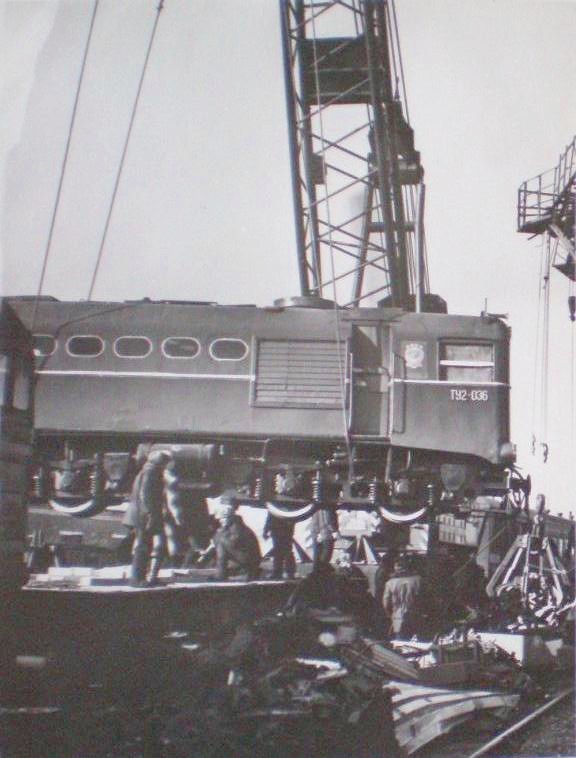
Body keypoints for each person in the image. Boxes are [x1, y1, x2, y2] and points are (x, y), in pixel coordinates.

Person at [125, 448, 172, 587]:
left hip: (145, 514)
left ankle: (146, 577)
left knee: (147, 545)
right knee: (142, 546)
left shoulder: (150, 470)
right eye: (166, 462)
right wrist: (150, 513)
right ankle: (137, 579)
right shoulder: (151, 472)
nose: (167, 466)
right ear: (160, 462)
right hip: (144, 515)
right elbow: (145, 494)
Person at [213, 494, 261, 581]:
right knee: (220, 541)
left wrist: (219, 534)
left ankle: (221, 575)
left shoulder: (236, 526)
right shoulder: (238, 524)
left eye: (223, 518)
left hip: (248, 560)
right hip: (248, 560)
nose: (221, 521)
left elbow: (233, 543)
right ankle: (247, 572)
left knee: (221, 542)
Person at [382, 556, 422, 638]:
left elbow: (386, 603)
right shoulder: (419, 580)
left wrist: (390, 614)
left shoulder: (390, 583)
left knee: (400, 641)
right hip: (416, 616)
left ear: (396, 567)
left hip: (398, 617)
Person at [263, 512, 296, 579]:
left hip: (278, 530)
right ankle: (289, 572)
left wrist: (266, 531)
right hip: (285, 530)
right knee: (285, 551)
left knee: (279, 552)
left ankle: (278, 572)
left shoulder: (274, 509)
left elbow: (270, 517)